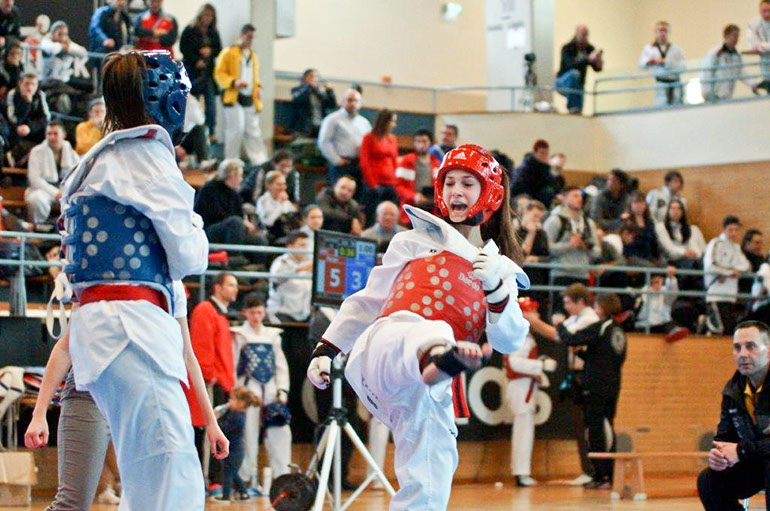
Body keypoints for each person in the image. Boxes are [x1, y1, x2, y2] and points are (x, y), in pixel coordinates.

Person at [307, 144, 530, 510]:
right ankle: (436, 357)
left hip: (426, 390)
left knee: (432, 475)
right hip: (384, 351)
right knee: (432, 333)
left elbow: (510, 339)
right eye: (450, 183)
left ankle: (437, 363)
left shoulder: (500, 268)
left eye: (467, 184)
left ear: (489, 193)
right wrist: (327, 348)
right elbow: (368, 300)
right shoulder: (412, 240)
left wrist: (497, 292)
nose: (456, 191)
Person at [51, 50, 227, 509]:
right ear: (167, 99)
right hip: (131, 330)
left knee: (148, 476)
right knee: (172, 475)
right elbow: (190, 255)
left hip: (105, 332)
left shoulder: (97, 159)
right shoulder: (145, 152)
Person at [525, 292, 627, 489]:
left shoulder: (600, 327)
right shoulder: (618, 330)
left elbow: (569, 338)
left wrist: (561, 323)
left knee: (596, 428)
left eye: (597, 307)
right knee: (606, 426)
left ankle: (601, 475)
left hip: (598, 385)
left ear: (603, 308)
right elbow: (605, 356)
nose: (595, 311)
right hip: (612, 383)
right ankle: (606, 474)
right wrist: (582, 353)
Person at [697, 320, 770, 510]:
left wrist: (740, 451)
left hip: (761, 458)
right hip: (756, 461)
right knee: (709, 480)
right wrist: (718, 456)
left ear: (769, 350)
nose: (743, 354)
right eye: (737, 348)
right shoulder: (732, 390)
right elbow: (724, 437)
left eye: (751, 346)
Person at [232, 294, 292, 483]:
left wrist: (282, 390)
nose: (256, 316)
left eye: (259, 312)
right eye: (252, 312)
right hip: (248, 389)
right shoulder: (238, 334)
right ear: (245, 313)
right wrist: (235, 390)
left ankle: (282, 475)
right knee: (247, 435)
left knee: (279, 432)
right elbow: (233, 363)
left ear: (264, 312)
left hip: (271, 390)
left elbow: (280, 365)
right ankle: (246, 477)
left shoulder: (273, 335)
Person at [185, 272, 239, 458]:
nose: (236, 289)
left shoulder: (218, 313)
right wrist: (210, 377)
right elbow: (201, 348)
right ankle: (206, 482)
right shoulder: (206, 310)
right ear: (217, 287)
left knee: (220, 440)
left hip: (219, 383)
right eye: (231, 285)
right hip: (211, 383)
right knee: (209, 438)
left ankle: (213, 482)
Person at [505, 332, 557, 486]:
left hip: (524, 386)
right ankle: (521, 472)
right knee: (523, 430)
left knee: (525, 430)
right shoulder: (519, 337)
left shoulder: (523, 337)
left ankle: (521, 472)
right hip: (521, 388)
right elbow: (513, 362)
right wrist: (540, 366)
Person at [214, 24, 268, 165]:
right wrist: (233, 82)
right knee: (236, 130)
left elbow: (255, 77)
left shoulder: (253, 56)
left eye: (253, 38)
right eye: (249, 36)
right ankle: (231, 162)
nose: (250, 40)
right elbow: (219, 73)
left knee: (253, 131)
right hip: (233, 96)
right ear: (242, 35)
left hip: (249, 95)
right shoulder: (229, 53)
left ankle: (260, 162)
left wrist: (258, 88)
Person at [194, 158, 268, 253]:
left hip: (233, 230)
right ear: (232, 175)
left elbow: (239, 214)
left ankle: (258, 266)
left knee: (258, 239)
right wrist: (242, 221)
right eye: (240, 176)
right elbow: (216, 214)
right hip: (208, 230)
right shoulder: (209, 189)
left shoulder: (234, 193)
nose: (241, 180)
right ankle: (234, 258)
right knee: (235, 222)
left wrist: (246, 224)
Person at [544, 185, 601, 291]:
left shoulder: (588, 223)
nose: (580, 199)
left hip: (582, 274)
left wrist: (586, 247)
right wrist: (569, 245)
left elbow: (597, 252)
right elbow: (547, 249)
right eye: (575, 196)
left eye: (580, 196)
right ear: (564, 198)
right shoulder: (554, 220)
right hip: (561, 273)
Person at [704, 215, 752, 335]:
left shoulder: (736, 248)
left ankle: (705, 325)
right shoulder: (715, 243)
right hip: (716, 294)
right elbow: (711, 265)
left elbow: (746, 265)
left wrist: (734, 271)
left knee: (730, 330)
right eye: (731, 230)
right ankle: (704, 324)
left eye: (736, 230)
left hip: (730, 296)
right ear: (724, 230)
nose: (734, 233)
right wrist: (730, 272)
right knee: (721, 329)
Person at [25, 121, 80, 224]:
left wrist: (64, 193)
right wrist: (55, 193)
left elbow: (76, 177)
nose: (51, 137)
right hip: (43, 190)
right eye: (49, 134)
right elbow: (34, 179)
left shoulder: (73, 154)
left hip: (65, 190)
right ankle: (37, 228)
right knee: (36, 199)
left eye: (55, 134)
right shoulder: (36, 151)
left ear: (63, 135)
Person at [179, 3, 222, 135]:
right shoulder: (190, 30)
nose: (208, 18)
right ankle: (192, 131)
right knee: (192, 103)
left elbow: (218, 48)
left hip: (207, 73)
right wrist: (196, 60)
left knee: (210, 104)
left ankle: (210, 131)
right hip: (192, 72)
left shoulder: (213, 32)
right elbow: (183, 48)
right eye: (206, 15)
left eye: (210, 16)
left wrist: (211, 51)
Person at [317, 88, 371, 188]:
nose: (353, 103)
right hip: (340, 165)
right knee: (337, 196)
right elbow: (323, 142)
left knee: (357, 198)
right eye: (350, 100)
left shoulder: (364, 123)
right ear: (343, 101)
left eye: (356, 101)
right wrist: (337, 160)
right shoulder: (332, 119)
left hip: (358, 165)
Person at [216, 386, 261, 503]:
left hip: (235, 451)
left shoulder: (238, 417)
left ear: (241, 403)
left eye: (232, 399)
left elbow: (225, 429)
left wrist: (216, 420)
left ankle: (226, 497)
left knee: (228, 474)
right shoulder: (233, 413)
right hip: (234, 450)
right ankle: (244, 493)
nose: (229, 402)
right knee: (233, 473)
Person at [39, 21, 92, 115]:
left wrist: (68, 47)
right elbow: (53, 49)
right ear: (52, 34)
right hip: (49, 81)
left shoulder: (67, 42)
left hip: (64, 79)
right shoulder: (45, 41)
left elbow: (83, 52)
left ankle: (84, 116)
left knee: (89, 86)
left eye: (65, 34)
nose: (63, 37)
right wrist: (66, 47)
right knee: (73, 94)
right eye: (60, 34)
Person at [360, 109, 399, 225]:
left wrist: (396, 182)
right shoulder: (369, 137)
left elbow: (394, 161)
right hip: (374, 184)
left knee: (390, 215)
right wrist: (372, 183)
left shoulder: (392, 138)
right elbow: (364, 162)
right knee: (372, 216)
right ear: (385, 121)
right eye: (392, 121)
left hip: (390, 183)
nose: (394, 125)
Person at [702, 24, 759, 102]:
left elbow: (741, 72)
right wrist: (706, 93)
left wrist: (752, 84)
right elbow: (706, 72)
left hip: (727, 96)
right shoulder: (715, 53)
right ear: (726, 36)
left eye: (737, 36)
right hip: (715, 95)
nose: (736, 39)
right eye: (734, 36)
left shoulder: (736, 55)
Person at [394, 129, 440, 223]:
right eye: (418, 141)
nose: (421, 145)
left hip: (431, 209)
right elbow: (398, 186)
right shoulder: (406, 161)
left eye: (424, 141)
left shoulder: (436, 162)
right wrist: (414, 196)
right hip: (411, 208)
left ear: (430, 143)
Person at [555, 24, 603, 114]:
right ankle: (572, 107)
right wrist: (587, 59)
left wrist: (598, 61)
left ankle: (576, 111)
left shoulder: (589, 48)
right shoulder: (567, 48)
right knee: (574, 74)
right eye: (582, 35)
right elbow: (569, 64)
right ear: (576, 34)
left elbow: (597, 69)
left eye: (586, 35)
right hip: (563, 81)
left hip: (578, 86)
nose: (584, 38)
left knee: (578, 88)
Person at [267, 230, 313, 323]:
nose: (305, 248)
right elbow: (276, 279)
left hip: (304, 315)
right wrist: (298, 269)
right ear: (290, 246)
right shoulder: (281, 262)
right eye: (302, 245)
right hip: (281, 314)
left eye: (306, 245)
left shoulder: (310, 263)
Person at [634, 266, 690, 341]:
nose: (657, 284)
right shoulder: (642, 293)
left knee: (669, 322)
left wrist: (671, 277)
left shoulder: (664, 292)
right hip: (644, 325)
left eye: (659, 281)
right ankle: (673, 331)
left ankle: (674, 332)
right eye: (654, 282)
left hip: (662, 325)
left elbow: (673, 293)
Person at [6, 72, 50, 167]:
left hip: (33, 129)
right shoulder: (13, 94)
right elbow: (12, 119)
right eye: (27, 83)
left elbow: (46, 119)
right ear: (20, 84)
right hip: (17, 128)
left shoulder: (40, 95)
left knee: (47, 131)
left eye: (33, 84)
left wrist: (30, 127)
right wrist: (27, 104)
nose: (29, 87)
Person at [638, 21, 685, 106]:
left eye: (665, 30)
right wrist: (649, 62)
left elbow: (683, 67)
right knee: (661, 107)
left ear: (668, 32)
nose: (662, 33)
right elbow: (642, 64)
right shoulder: (649, 49)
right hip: (661, 83)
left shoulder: (676, 49)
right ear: (655, 32)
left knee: (677, 109)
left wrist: (666, 62)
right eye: (660, 30)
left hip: (675, 82)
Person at [654, 198, 706, 265]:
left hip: (688, 258)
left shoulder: (688, 228)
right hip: (672, 260)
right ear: (668, 211)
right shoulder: (661, 227)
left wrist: (695, 254)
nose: (676, 211)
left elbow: (697, 247)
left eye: (679, 209)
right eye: (673, 208)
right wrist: (684, 252)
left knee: (702, 261)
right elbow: (669, 249)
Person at [290, 68, 337, 137]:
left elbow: (331, 105)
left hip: (320, 125)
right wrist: (308, 87)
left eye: (316, 77)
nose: (314, 79)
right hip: (304, 127)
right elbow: (297, 99)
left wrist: (330, 91)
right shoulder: (297, 90)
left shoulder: (320, 93)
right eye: (311, 76)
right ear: (305, 78)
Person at [511, 139, 557, 207]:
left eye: (546, 153)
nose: (544, 155)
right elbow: (518, 188)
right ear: (535, 153)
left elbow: (552, 183)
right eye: (541, 153)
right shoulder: (525, 168)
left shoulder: (545, 168)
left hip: (537, 195)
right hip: (523, 195)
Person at [256, 170, 299, 240]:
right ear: (268, 185)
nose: (283, 187)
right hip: (270, 235)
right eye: (279, 184)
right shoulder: (262, 201)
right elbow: (268, 222)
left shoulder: (286, 202)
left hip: (287, 234)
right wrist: (280, 204)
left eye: (284, 184)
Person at [619, 193, 661, 265]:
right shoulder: (626, 220)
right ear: (630, 205)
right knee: (650, 267)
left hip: (648, 256)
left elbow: (654, 243)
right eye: (635, 202)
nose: (639, 205)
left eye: (641, 202)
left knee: (664, 266)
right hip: (632, 256)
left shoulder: (649, 222)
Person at [748, 0, 770, 94]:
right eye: (764, 11)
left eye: (769, 10)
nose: (767, 14)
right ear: (760, 11)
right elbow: (753, 45)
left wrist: (762, 46)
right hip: (764, 61)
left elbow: (758, 46)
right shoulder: (754, 23)